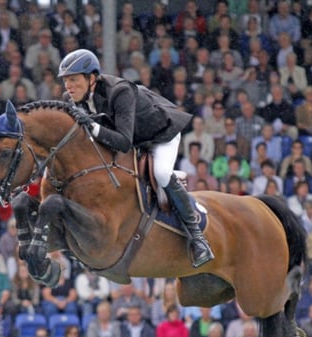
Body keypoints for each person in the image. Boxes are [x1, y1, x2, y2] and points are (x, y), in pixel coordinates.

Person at [57, 49, 213, 267]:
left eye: (73, 80)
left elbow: (123, 142)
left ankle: (197, 238)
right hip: (134, 140)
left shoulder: (120, 92)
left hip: (160, 135)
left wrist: (91, 126)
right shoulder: (71, 99)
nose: (68, 86)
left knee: (161, 173)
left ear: (92, 78)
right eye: (65, 81)